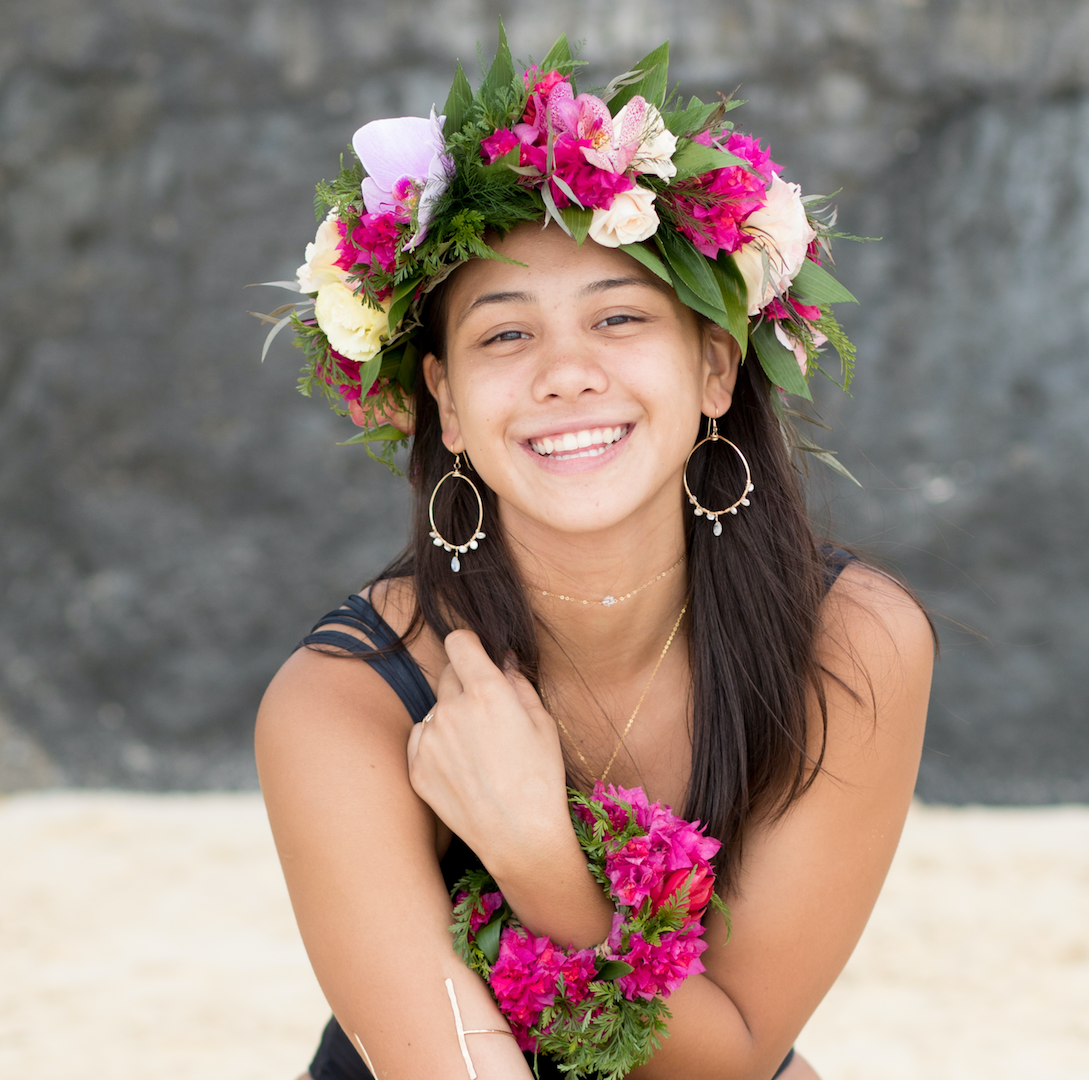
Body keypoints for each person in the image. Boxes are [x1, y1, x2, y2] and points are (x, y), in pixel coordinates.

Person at [254, 31, 933, 1080]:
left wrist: (539, 864)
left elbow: (736, 1057)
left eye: (618, 317)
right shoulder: (346, 701)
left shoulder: (850, 642)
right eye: (505, 335)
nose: (567, 375)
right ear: (444, 399)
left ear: (714, 367)